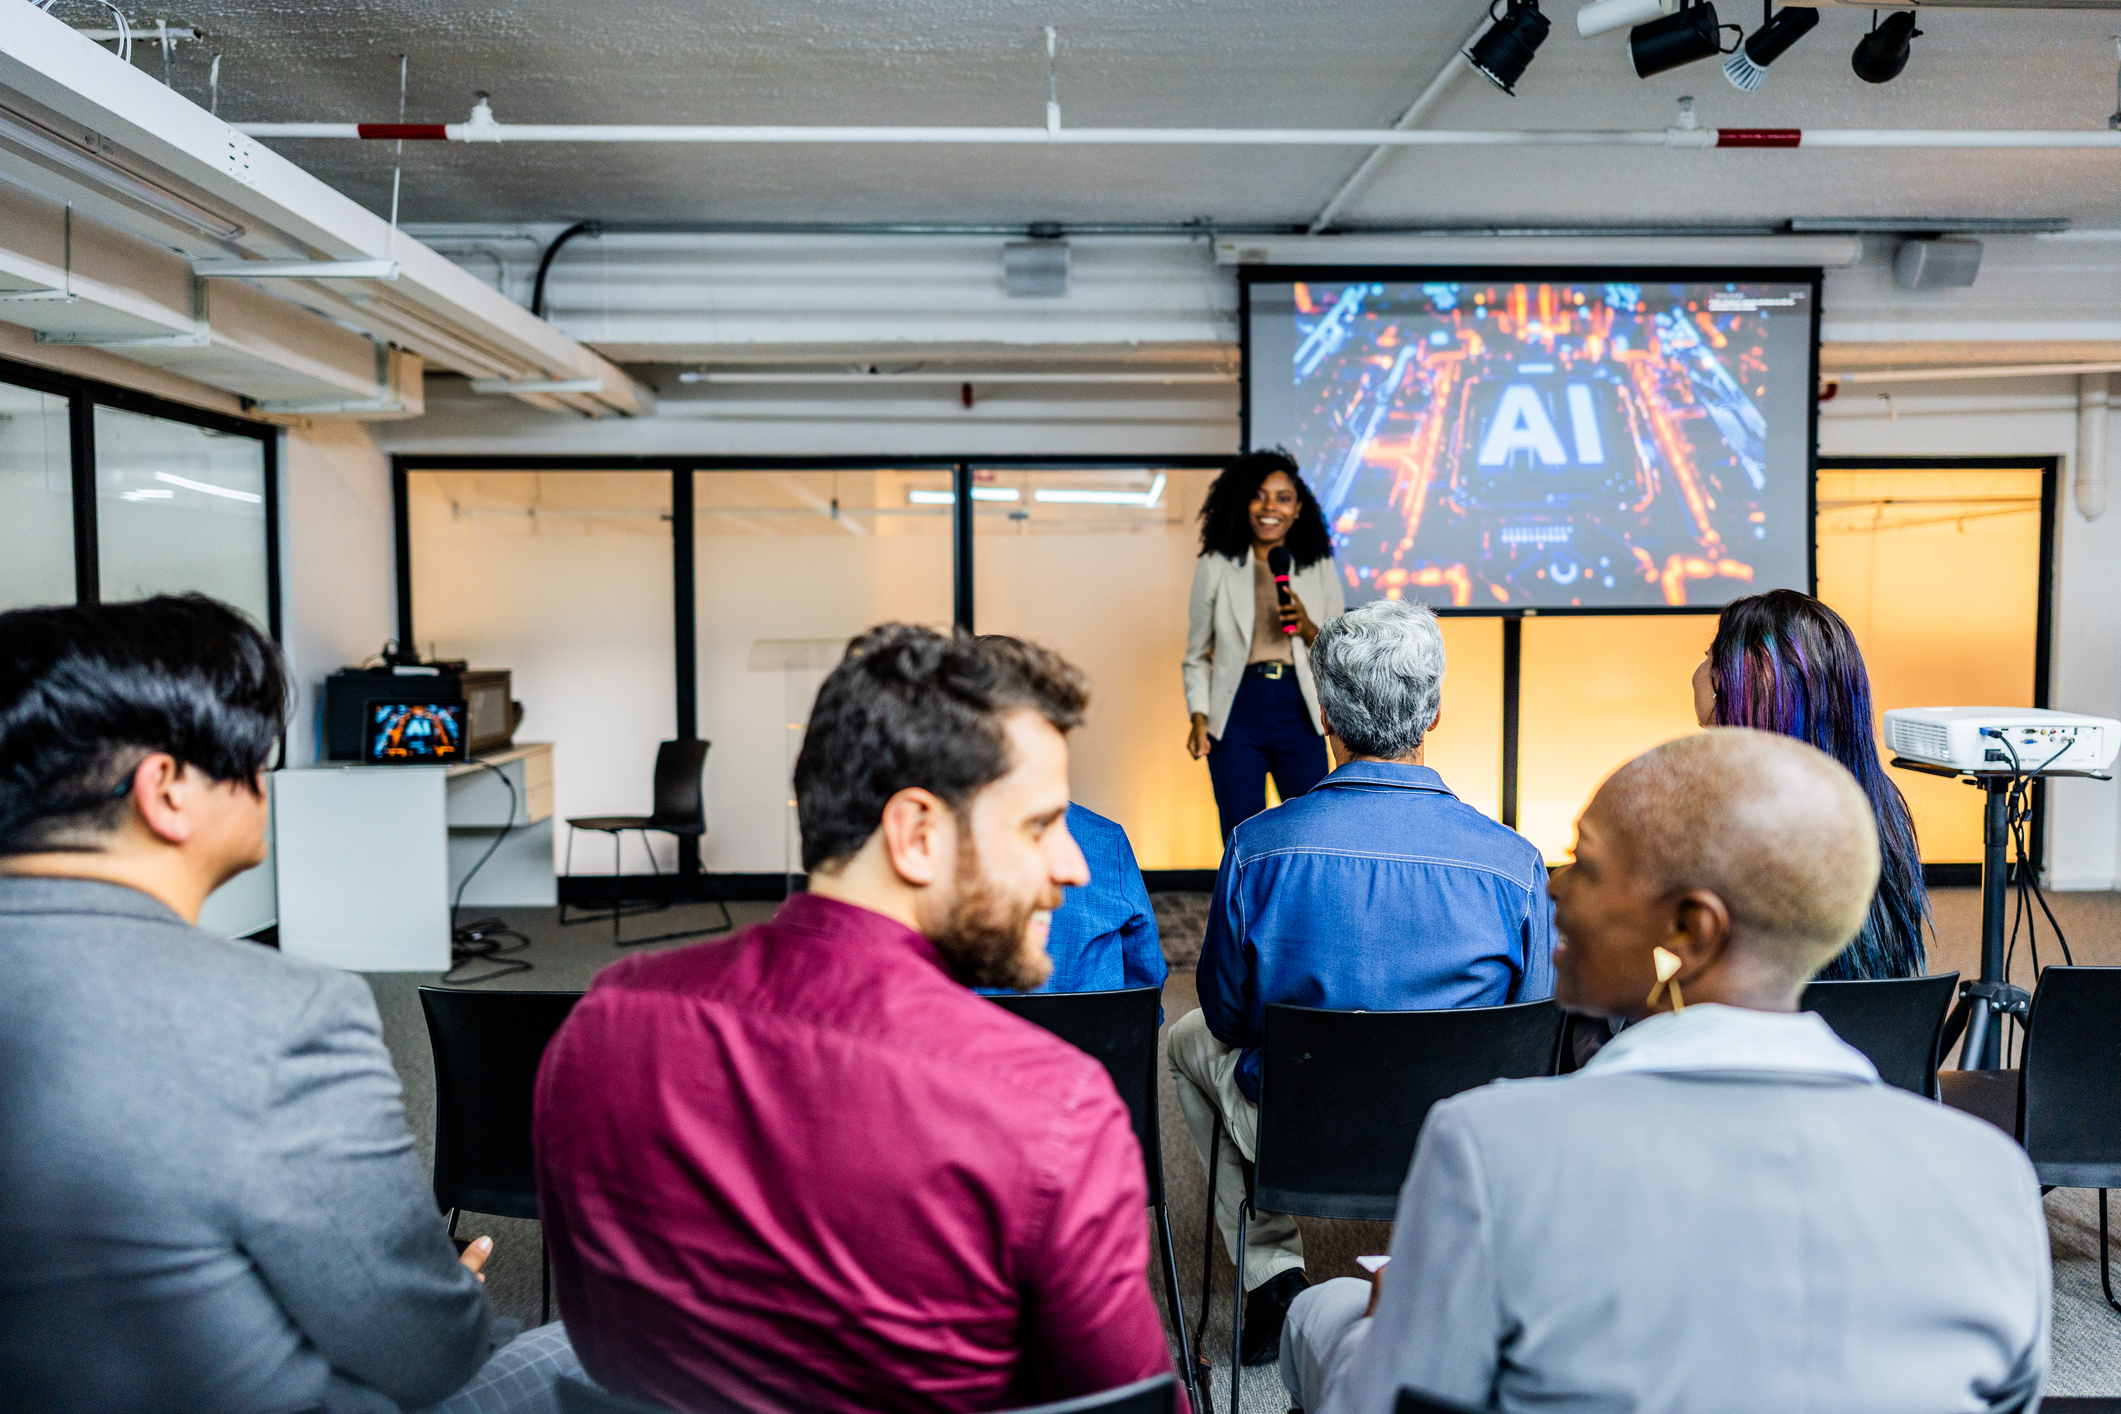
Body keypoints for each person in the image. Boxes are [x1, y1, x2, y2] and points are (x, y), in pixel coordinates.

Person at [1280, 729, 2050, 1414]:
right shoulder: (1989, 1177)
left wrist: (1371, 1321)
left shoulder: (1493, 1149)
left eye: (1583, 863)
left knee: (1323, 1314)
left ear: (1687, 930)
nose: (1552, 885)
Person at [534, 625, 1181, 1414]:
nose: (1073, 866)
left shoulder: (603, 1026)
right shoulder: (1051, 1109)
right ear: (915, 835)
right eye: (1038, 826)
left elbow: (598, 1339)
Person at [0, 595, 581, 1414]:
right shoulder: (282, 1016)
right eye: (250, 763)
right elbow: (425, 1354)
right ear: (164, 790)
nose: (265, 786)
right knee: (594, 1353)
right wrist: (451, 1293)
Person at [1169, 597, 1554, 1367]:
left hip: (1301, 1135)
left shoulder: (1256, 847)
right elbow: (1530, 1034)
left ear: (1324, 716)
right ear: (1434, 712)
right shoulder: (1513, 863)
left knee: (1184, 1039)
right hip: (1455, 1142)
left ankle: (1273, 1275)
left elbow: (1224, 1011)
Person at [1691, 588, 1929, 979]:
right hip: (1860, 1033)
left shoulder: (1725, 815)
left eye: (1709, 656)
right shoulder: (1882, 806)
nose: (1702, 669)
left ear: (1729, 685)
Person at [1183, 450, 1346, 842]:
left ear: (1298, 508)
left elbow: (1340, 650)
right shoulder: (1217, 564)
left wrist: (1308, 628)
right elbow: (1195, 656)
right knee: (1241, 831)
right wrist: (1199, 715)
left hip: (1302, 707)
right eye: (1259, 495)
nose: (1270, 506)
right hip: (1238, 709)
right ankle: (1244, 905)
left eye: (1283, 497)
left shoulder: (1317, 565)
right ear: (1243, 503)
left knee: (1312, 828)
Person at [977, 800, 1167, 996]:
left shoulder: (955, 837)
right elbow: (1146, 971)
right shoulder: (1107, 837)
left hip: (976, 1018)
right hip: (1099, 1021)